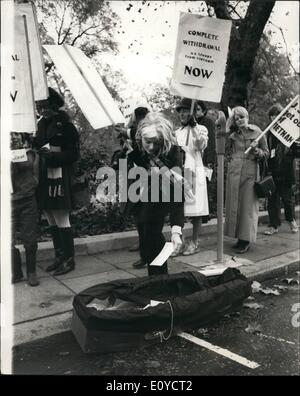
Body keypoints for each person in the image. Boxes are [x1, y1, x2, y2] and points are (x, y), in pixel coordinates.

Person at [126, 112, 184, 275]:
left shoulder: (172, 152)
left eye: (156, 142)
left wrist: (176, 231)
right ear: (140, 137)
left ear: (163, 140)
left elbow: (177, 194)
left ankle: (160, 281)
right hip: (140, 194)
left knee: (152, 234)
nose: (151, 147)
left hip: (162, 194)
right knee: (144, 233)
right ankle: (152, 270)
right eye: (147, 142)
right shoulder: (136, 145)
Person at [34, 87, 80, 276]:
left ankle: (69, 259)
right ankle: (59, 256)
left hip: (60, 175)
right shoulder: (40, 124)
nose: (43, 110)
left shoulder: (66, 126)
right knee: (50, 216)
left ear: (54, 105)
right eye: (40, 106)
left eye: (46, 106)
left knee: (61, 217)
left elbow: (74, 154)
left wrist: (53, 155)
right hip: (44, 175)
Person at [224, 106, 269, 253]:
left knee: (247, 207)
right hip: (234, 172)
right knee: (235, 206)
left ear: (247, 117)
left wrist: (257, 151)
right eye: (236, 119)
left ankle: (245, 240)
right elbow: (226, 151)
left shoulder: (257, 132)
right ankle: (238, 237)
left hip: (249, 172)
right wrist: (227, 127)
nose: (239, 121)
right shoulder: (232, 135)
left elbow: (266, 153)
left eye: (241, 117)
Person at [114, 104, 150, 267]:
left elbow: (141, 138)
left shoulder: (148, 132)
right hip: (134, 177)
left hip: (149, 179)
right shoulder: (132, 131)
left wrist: (127, 132)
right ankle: (145, 251)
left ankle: (150, 255)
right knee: (138, 216)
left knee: (149, 221)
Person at [174, 98, 209, 255]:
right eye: (180, 111)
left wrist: (194, 126)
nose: (182, 114)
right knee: (178, 208)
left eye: (185, 111)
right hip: (179, 172)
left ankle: (194, 241)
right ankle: (179, 241)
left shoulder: (201, 128)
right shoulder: (176, 132)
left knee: (196, 208)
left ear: (193, 113)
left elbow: (201, 145)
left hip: (194, 170)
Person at [264, 104, 300, 235]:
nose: (274, 118)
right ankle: (274, 225)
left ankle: (291, 221)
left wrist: (295, 147)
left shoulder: (290, 132)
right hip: (272, 171)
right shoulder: (268, 133)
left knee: (287, 200)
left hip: (285, 172)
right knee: (272, 200)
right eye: (272, 116)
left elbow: (296, 152)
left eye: (277, 116)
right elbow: (267, 151)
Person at [11, 132, 40, 286]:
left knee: (29, 239)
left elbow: (30, 169)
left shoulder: (30, 154)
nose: (13, 138)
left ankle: (31, 272)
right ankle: (15, 272)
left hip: (27, 201)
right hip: (7, 202)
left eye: (16, 135)